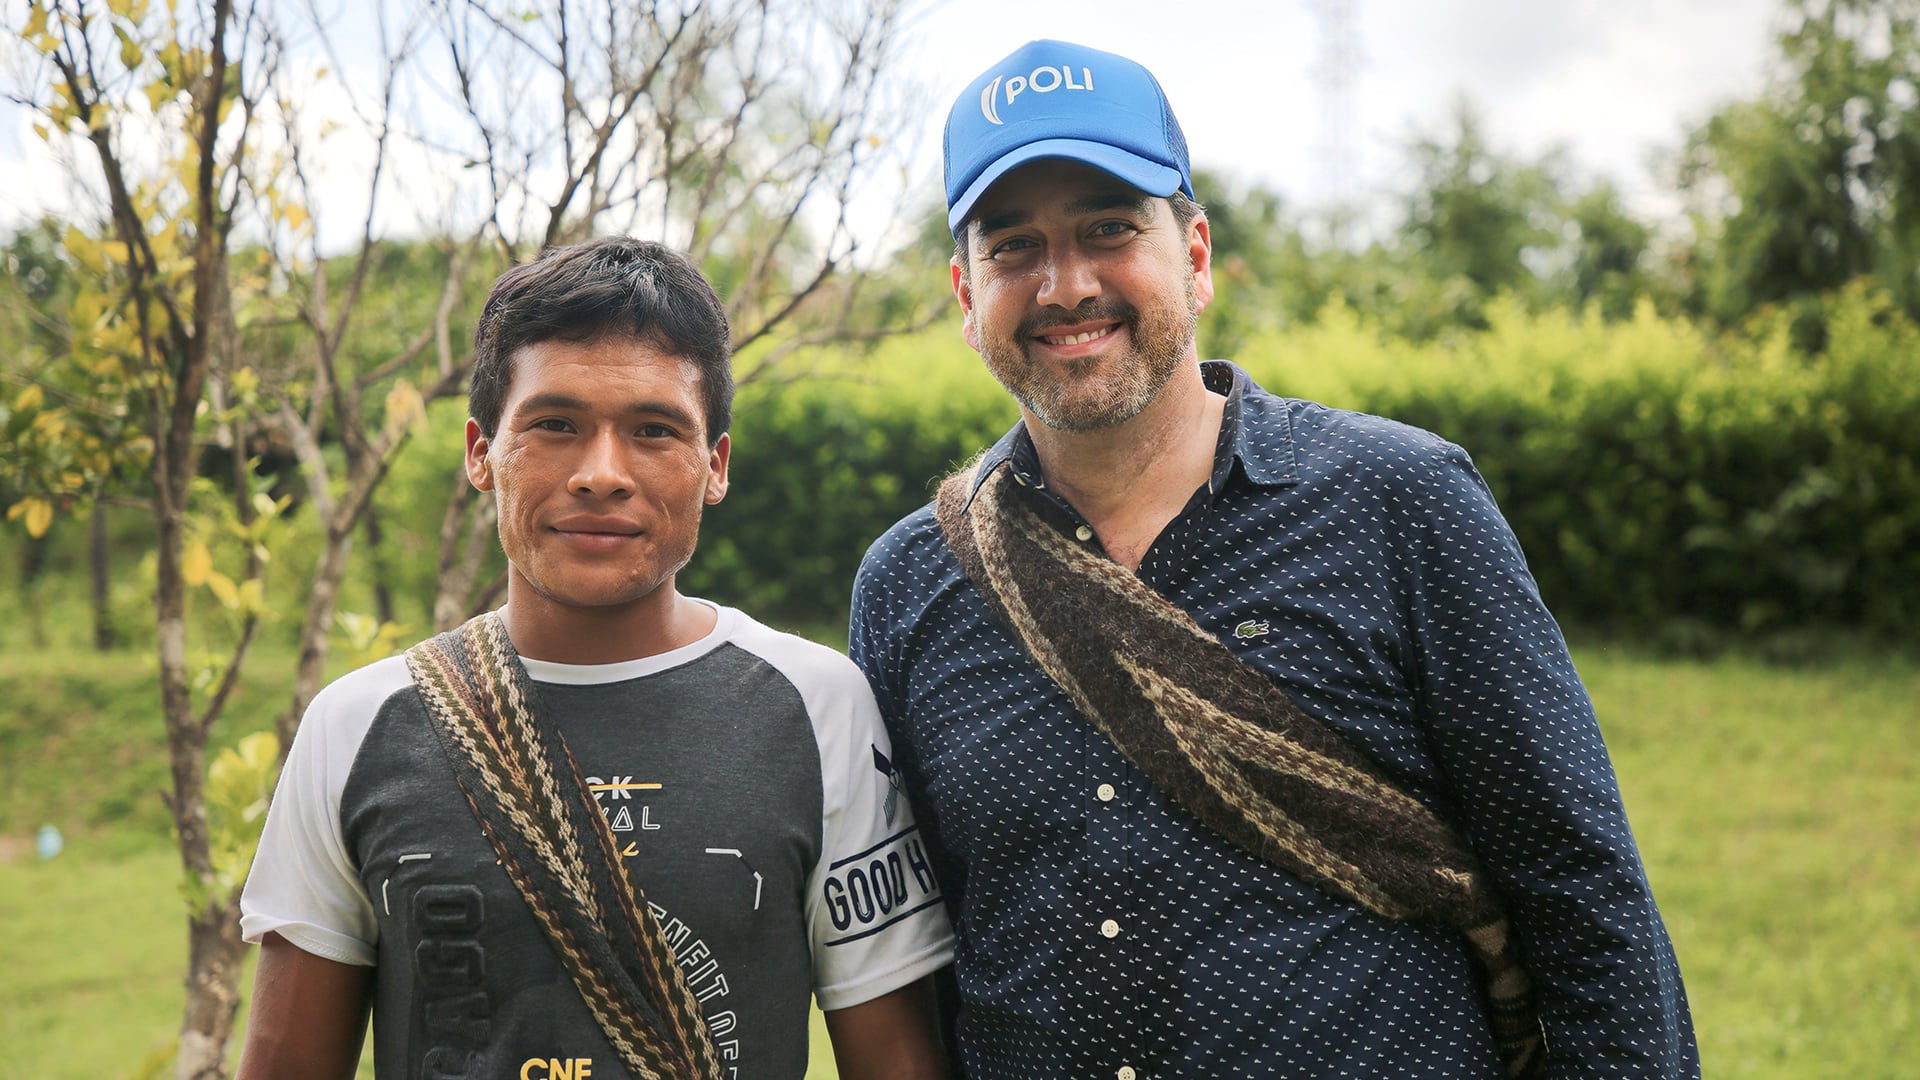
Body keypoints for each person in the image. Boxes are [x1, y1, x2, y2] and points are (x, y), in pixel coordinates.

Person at [849, 39, 1699, 1079]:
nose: (1064, 284)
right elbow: (918, 963)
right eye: (1014, 246)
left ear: (1196, 254)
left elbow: (1584, 895)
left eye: (1110, 229)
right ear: (963, 291)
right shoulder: (905, 587)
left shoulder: (1403, 502)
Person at [238, 236, 953, 1080]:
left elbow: (896, 1060)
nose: (601, 474)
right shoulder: (356, 726)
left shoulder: (817, 706)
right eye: (555, 425)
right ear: (481, 453)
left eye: (654, 430)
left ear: (714, 466)